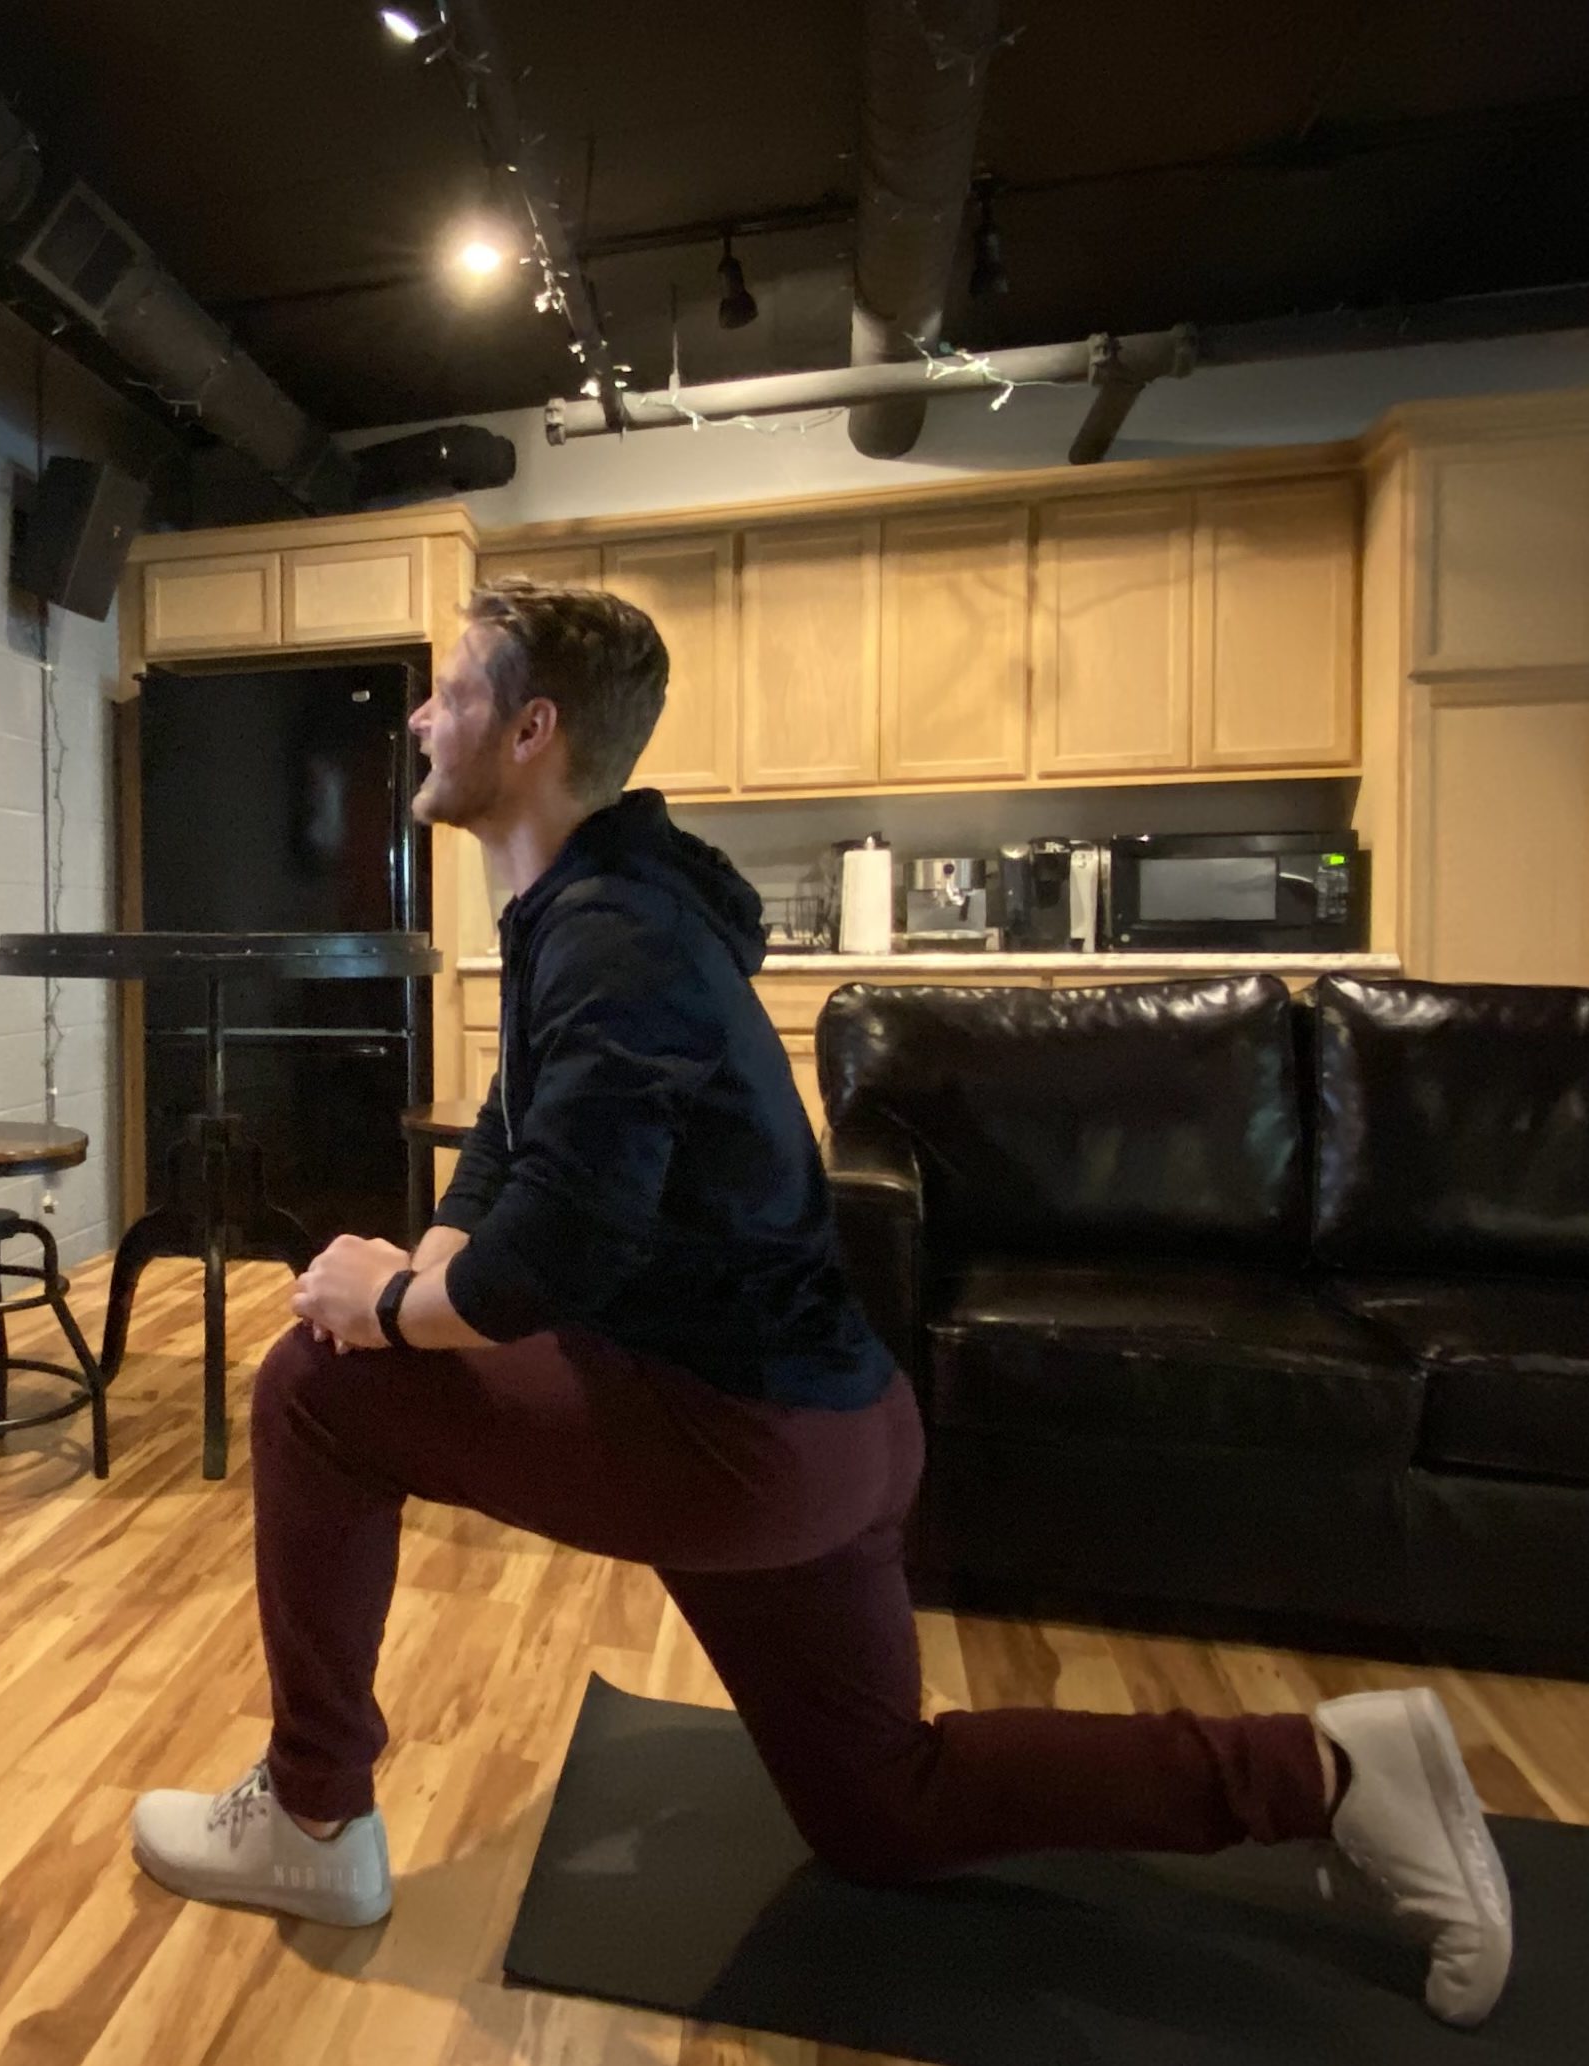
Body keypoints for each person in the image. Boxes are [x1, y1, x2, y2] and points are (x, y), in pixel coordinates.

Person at [127, 581, 1515, 2030]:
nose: (419, 713)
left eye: (452, 690)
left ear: (531, 729)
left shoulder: (613, 939)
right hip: (827, 1431)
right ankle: (1335, 1768)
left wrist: (391, 1296)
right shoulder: (598, 909)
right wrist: (428, 1257)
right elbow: (510, 1133)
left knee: (310, 1383)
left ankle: (311, 1813)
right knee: (880, 1810)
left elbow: (550, 1266)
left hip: (740, 1448)